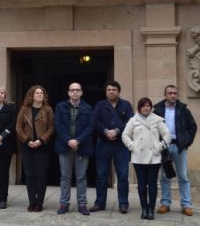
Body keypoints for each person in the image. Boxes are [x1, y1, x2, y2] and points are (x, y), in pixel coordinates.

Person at [122, 97, 171, 220]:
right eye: (143, 105)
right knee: (142, 185)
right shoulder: (133, 120)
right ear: (139, 107)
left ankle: (151, 209)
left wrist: (160, 147)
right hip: (138, 157)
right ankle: (144, 208)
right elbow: (125, 135)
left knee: (153, 184)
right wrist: (132, 146)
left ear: (151, 107)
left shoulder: (157, 120)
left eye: (148, 105)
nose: (146, 107)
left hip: (154, 157)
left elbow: (167, 134)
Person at [90, 81, 133, 214]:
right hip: (103, 143)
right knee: (102, 175)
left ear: (118, 91)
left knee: (123, 175)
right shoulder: (100, 105)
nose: (111, 92)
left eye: (114, 90)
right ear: (106, 92)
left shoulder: (126, 105)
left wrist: (116, 131)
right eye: (109, 90)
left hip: (121, 145)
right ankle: (100, 203)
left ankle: (123, 204)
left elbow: (130, 122)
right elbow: (94, 122)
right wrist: (105, 131)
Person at [154, 85, 197, 216]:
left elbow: (193, 127)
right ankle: (165, 203)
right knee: (165, 176)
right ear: (165, 94)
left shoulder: (183, 110)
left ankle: (186, 204)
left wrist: (186, 143)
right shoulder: (158, 109)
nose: (173, 95)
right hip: (164, 146)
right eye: (170, 93)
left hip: (179, 147)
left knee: (183, 176)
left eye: (175, 93)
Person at [54, 83, 94, 216]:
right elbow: (58, 125)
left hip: (82, 146)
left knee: (81, 176)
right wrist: (68, 140)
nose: (75, 92)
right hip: (65, 146)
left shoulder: (88, 108)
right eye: (72, 90)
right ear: (68, 93)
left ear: (81, 92)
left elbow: (90, 127)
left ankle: (82, 204)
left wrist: (78, 140)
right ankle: (64, 203)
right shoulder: (60, 107)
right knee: (65, 176)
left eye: (77, 90)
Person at [16, 85, 54, 212]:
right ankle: (32, 201)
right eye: (37, 93)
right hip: (27, 147)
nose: (40, 95)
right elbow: (18, 127)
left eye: (42, 93)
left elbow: (51, 128)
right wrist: (27, 140)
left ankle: (39, 203)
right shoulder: (24, 109)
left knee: (41, 175)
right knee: (30, 174)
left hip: (42, 147)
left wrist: (41, 140)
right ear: (31, 95)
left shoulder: (48, 109)